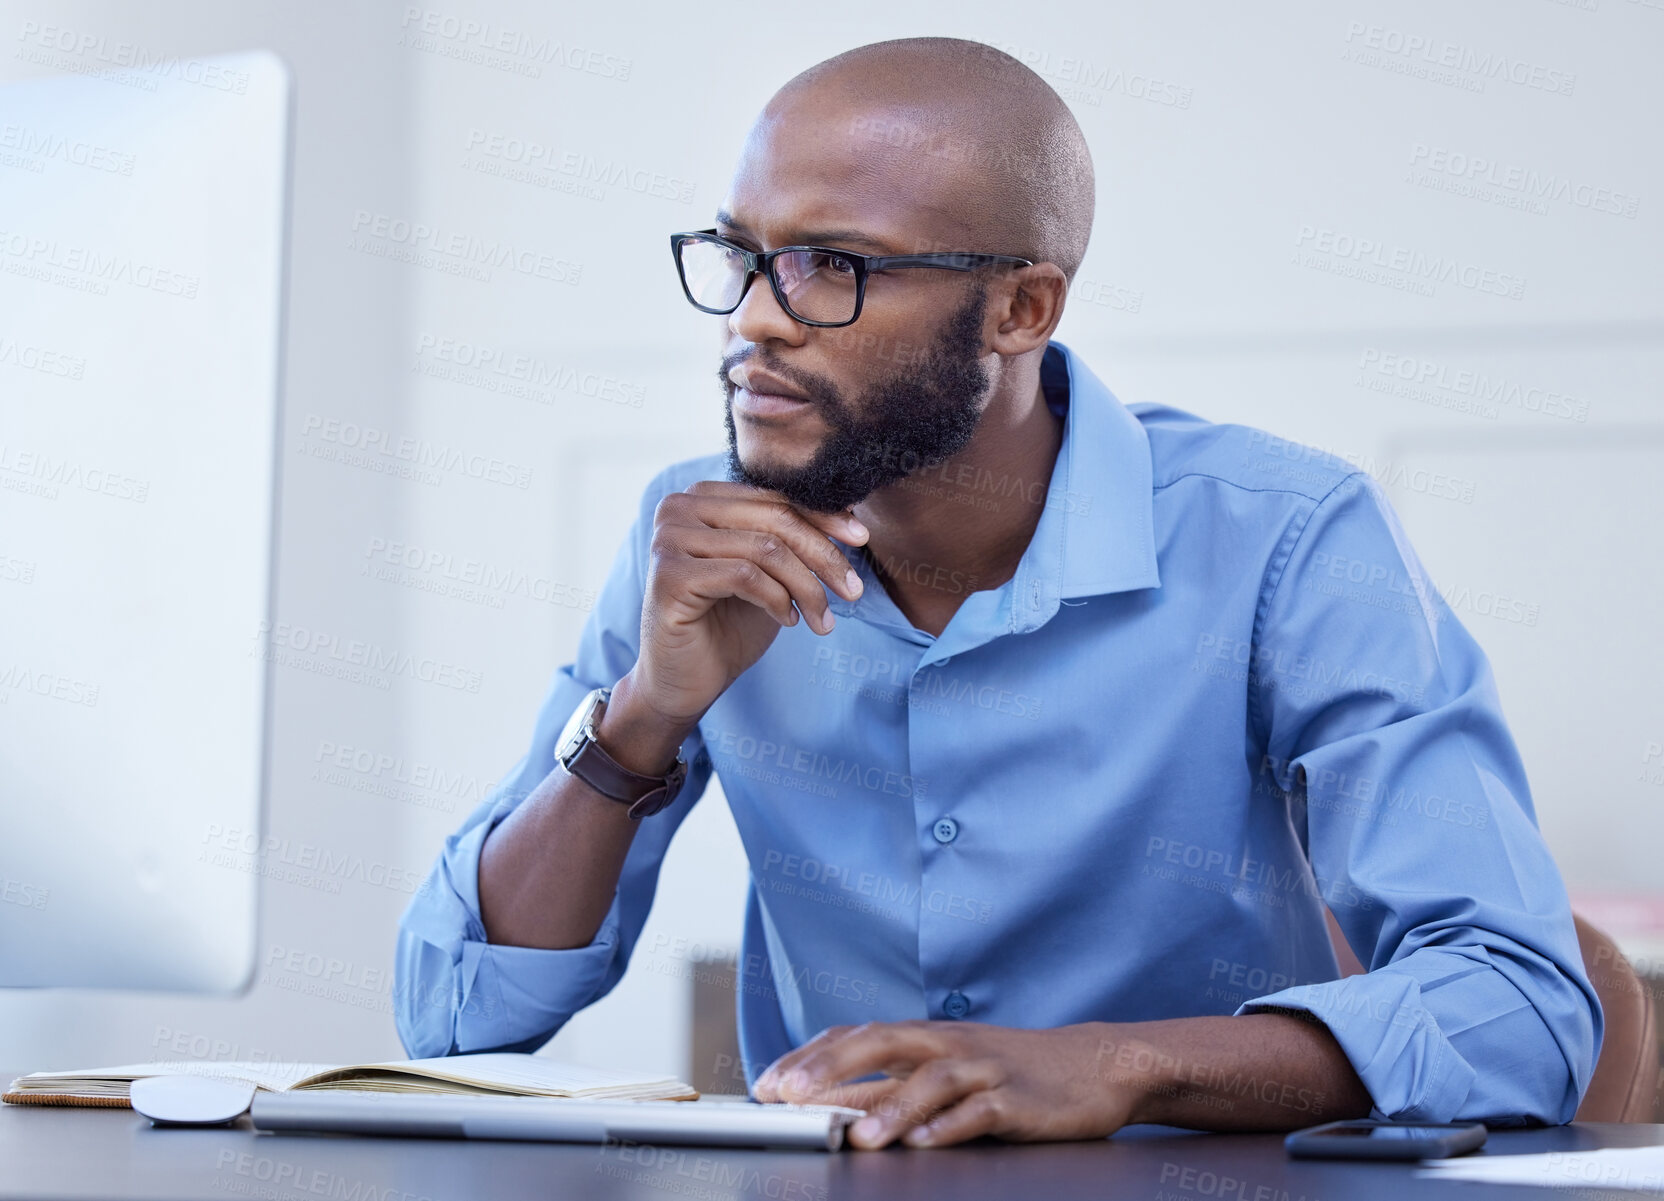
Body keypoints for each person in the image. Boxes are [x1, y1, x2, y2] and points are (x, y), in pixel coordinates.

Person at [395, 36, 1601, 1149]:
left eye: (832, 266)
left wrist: (1114, 1065)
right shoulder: (700, 537)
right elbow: (451, 1020)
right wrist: (643, 715)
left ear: (1022, 307)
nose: (756, 319)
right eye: (743, 256)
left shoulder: (1282, 539)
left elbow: (1520, 1005)